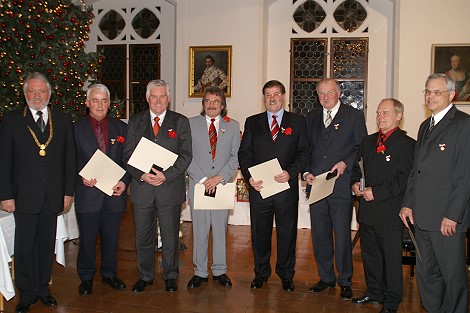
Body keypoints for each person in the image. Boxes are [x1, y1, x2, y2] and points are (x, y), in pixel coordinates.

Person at [0, 72, 76, 313]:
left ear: (49, 94)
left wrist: (68, 192)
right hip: (23, 196)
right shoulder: (12, 120)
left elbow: (69, 160)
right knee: (24, 246)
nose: (36, 96)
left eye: (41, 91)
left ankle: (43, 288)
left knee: (45, 245)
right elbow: (4, 161)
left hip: (52, 195)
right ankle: (26, 293)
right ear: (25, 95)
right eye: (31, 91)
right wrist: (5, 194)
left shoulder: (62, 120)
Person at [399, 73, 470, 313]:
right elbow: (415, 171)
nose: (431, 96)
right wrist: (408, 203)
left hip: (446, 220)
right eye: (428, 91)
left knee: (452, 278)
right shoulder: (424, 126)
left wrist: (453, 215)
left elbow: (465, 176)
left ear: (451, 95)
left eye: (437, 92)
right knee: (427, 276)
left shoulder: (463, 124)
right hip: (421, 217)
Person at [238, 80, 310, 292]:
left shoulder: (297, 121)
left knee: (287, 234)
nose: (272, 98)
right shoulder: (253, 122)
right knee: (260, 234)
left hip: (286, 190)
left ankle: (287, 275)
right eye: (268, 95)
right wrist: (249, 176)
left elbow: (304, 152)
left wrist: (291, 172)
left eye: (276, 94)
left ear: (283, 96)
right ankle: (261, 273)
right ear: (264, 98)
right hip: (260, 189)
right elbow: (245, 153)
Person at [123, 79, 192, 293]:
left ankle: (170, 275)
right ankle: (145, 275)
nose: (158, 101)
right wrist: (142, 175)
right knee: (143, 237)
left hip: (169, 188)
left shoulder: (180, 121)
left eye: (162, 96)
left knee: (170, 236)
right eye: (154, 96)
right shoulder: (135, 121)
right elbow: (127, 155)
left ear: (168, 99)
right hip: (143, 189)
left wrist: (166, 175)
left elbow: (186, 155)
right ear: (147, 98)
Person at [304, 78, 367, 300]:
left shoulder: (354, 116)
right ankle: (326, 277)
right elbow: (305, 150)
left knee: (341, 236)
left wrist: (345, 163)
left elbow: (362, 147)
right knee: (320, 236)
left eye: (330, 92)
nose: (325, 97)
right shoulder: (311, 118)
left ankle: (345, 280)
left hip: (341, 186)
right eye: (321, 93)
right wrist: (305, 172)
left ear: (339, 92)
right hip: (317, 186)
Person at [351, 99, 415, 313]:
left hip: (389, 212)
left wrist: (376, 192)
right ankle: (374, 291)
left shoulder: (407, 144)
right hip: (367, 212)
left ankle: (392, 300)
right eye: (378, 113)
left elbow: (404, 180)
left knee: (391, 259)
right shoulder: (367, 142)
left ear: (399, 116)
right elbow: (356, 169)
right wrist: (355, 184)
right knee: (370, 256)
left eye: (386, 113)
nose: (380, 117)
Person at [74, 84, 131, 295]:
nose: (100, 105)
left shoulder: (121, 128)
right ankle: (86, 277)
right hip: (88, 195)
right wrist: (80, 177)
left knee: (111, 238)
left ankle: (109, 274)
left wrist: (125, 181)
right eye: (95, 100)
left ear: (109, 103)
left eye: (104, 100)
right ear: (87, 103)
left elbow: (129, 161)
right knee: (87, 240)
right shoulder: (75, 129)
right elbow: (68, 162)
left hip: (114, 195)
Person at [186, 86, 240, 289]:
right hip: (198, 186)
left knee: (219, 230)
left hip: (222, 186)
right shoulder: (190, 124)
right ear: (203, 104)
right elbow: (186, 154)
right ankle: (199, 271)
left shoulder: (233, 126)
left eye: (216, 101)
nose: (211, 105)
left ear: (223, 105)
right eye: (208, 101)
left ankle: (220, 270)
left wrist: (219, 178)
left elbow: (235, 157)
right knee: (199, 231)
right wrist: (202, 179)